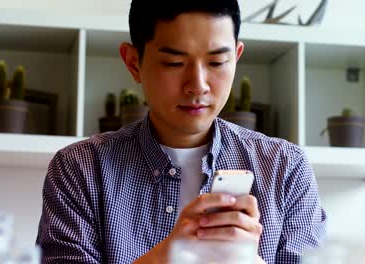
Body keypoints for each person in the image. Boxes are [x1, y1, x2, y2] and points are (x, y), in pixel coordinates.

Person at [36, 0, 327, 263]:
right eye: (174, 62)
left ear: (236, 57)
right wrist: (169, 255)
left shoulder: (285, 167)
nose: (198, 84)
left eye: (217, 62)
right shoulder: (80, 168)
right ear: (133, 62)